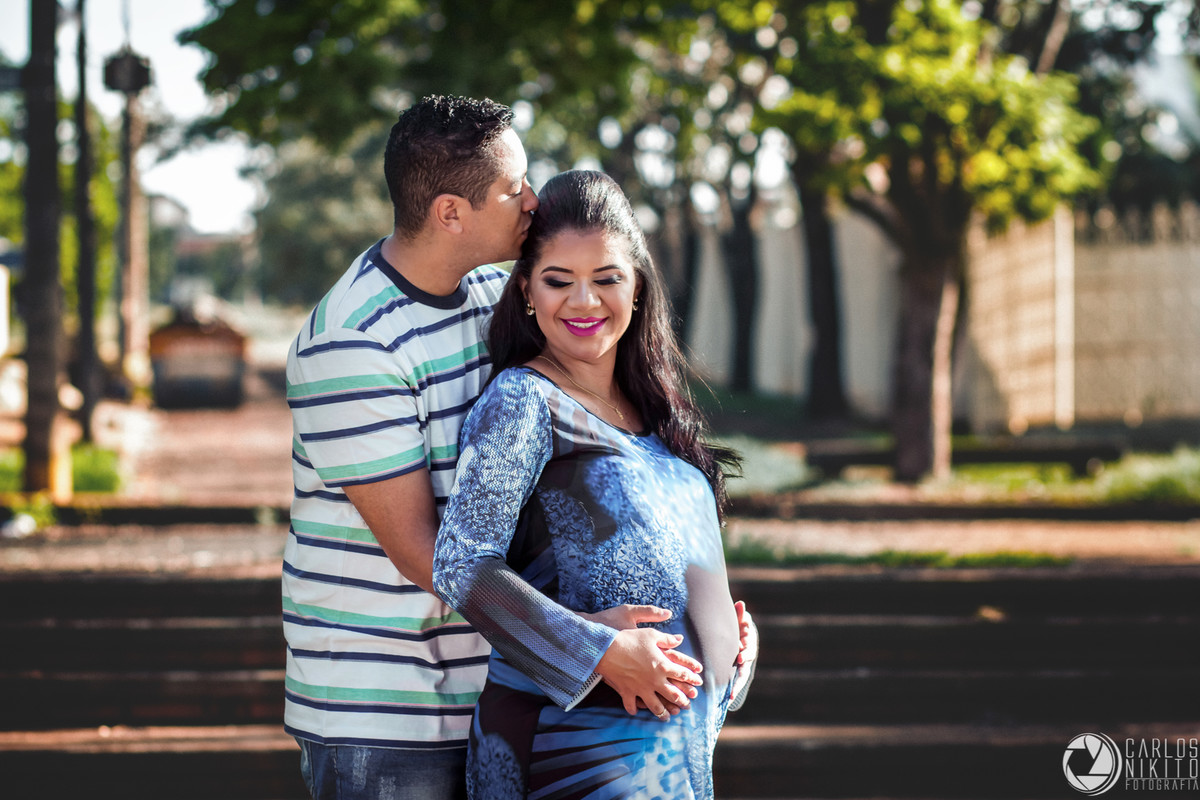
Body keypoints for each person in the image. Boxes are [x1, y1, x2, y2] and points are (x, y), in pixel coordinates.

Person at [283, 97, 702, 800]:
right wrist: (588, 643)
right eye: (514, 188)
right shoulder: (352, 345)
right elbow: (426, 551)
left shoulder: (486, 294)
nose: (533, 201)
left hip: (495, 690)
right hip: (386, 714)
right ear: (451, 212)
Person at [434, 169, 757, 799]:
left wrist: (731, 647)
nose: (584, 302)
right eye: (559, 281)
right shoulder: (524, 400)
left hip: (674, 767)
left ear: (638, 287)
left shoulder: (658, 417)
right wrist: (599, 651)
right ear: (526, 290)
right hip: (567, 755)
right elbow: (461, 566)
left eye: (607, 279)